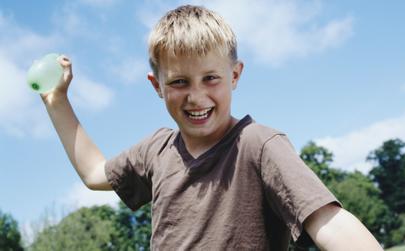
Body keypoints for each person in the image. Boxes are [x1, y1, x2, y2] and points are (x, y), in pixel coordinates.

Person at [41, 4, 383, 251]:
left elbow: (328, 221)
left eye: (210, 78)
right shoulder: (156, 151)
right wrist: (57, 102)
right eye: (178, 81)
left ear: (234, 76)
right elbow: (94, 173)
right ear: (156, 86)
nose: (196, 96)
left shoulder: (259, 145)